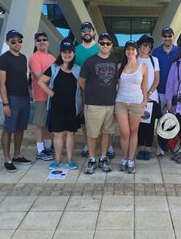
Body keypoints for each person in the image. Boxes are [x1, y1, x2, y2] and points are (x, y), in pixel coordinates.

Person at [37, 40, 81, 170]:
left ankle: (70, 159)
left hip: (73, 107)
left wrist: (82, 104)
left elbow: (82, 88)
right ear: (60, 53)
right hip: (57, 107)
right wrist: (51, 93)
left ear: (73, 53)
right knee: (57, 134)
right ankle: (57, 159)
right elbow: (41, 82)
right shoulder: (54, 68)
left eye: (70, 52)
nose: (67, 55)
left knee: (71, 134)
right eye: (64, 52)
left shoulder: (78, 69)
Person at [79, 33, 119, 175]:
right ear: (98, 44)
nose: (105, 46)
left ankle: (102, 157)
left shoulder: (115, 61)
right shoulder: (90, 61)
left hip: (110, 104)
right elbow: (82, 80)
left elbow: (118, 81)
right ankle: (91, 158)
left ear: (111, 45)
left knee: (106, 133)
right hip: (94, 104)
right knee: (92, 134)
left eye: (108, 43)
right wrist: (91, 92)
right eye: (102, 43)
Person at [0, 29, 32, 172]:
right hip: (12, 98)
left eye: (19, 41)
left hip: (24, 98)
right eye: (14, 41)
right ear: (7, 42)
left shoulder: (23, 58)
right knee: (8, 129)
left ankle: (17, 155)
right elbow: (1, 83)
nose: (17, 43)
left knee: (20, 128)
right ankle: (7, 158)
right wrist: (5, 103)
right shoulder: (3, 59)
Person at [116, 40, 148, 173]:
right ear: (125, 51)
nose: (130, 51)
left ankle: (130, 159)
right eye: (128, 49)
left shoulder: (143, 66)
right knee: (124, 132)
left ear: (137, 51)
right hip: (121, 103)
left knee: (134, 132)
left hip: (136, 103)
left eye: (133, 49)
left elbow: (144, 86)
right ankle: (125, 157)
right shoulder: (120, 66)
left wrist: (145, 100)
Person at [152, 27, 180, 156]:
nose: (167, 38)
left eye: (170, 36)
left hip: (176, 92)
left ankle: (174, 145)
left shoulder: (179, 51)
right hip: (161, 91)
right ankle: (161, 145)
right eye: (165, 36)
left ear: (173, 37)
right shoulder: (156, 52)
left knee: (175, 120)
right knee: (162, 120)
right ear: (162, 37)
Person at [29, 31, 55, 161]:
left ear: (48, 41)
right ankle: (40, 150)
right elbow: (39, 76)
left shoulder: (52, 58)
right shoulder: (35, 57)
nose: (42, 42)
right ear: (35, 43)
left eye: (44, 39)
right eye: (39, 40)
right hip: (41, 96)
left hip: (52, 96)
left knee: (49, 123)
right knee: (40, 124)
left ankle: (48, 146)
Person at [136, 34, 160, 160]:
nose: (147, 47)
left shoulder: (154, 60)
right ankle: (141, 148)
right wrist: (141, 95)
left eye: (149, 45)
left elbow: (157, 79)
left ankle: (148, 148)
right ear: (139, 45)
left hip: (151, 97)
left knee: (149, 124)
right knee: (140, 124)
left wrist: (149, 93)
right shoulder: (135, 59)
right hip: (137, 98)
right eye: (145, 44)